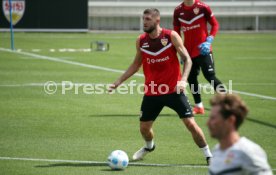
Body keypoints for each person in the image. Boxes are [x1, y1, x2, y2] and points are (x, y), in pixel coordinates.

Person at [109, 8, 212, 164]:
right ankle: (149, 147)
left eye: (148, 19)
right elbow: (136, 64)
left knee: (191, 123)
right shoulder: (141, 40)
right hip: (152, 92)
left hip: (173, 91)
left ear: (157, 20)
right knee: (144, 128)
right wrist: (118, 82)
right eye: (143, 19)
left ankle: (209, 155)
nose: (144, 22)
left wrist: (183, 80)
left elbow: (187, 59)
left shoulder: (171, 36)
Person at [173, 0, 225, 115]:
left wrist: (209, 40)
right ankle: (199, 106)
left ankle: (227, 104)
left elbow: (215, 24)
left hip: (203, 50)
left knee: (210, 76)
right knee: (191, 79)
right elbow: (176, 33)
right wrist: (181, 51)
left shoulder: (203, 7)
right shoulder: (178, 11)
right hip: (188, 52)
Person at [207, 94, 273, 175]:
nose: (208, 123)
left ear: (231, 120)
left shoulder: (248, 152)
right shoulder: (216, 151)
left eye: (213, 118)